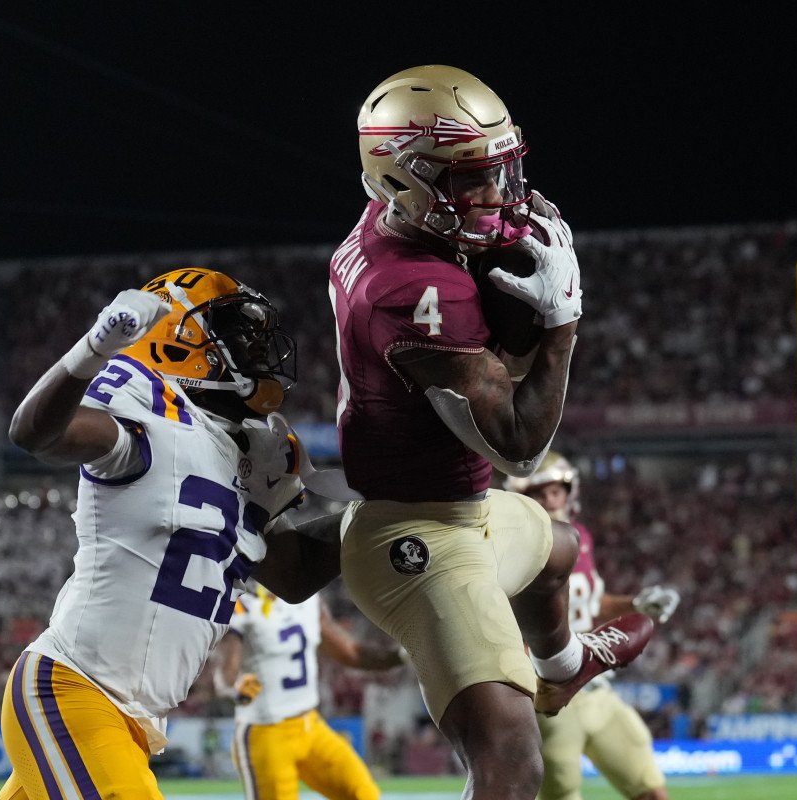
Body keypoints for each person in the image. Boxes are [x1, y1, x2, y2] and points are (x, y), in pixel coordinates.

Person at [331, 64, 654, 800]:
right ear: (401, 180)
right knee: (512, 751)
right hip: (414, 536)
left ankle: (563, 666)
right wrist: (563, 326)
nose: (494, 196)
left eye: (499, 170)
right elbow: (519, 446)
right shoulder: (414, 288)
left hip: (466, 513)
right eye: (468, 179)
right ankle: (545, 683)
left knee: (558, 545)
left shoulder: (388, 223)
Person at [0, 267, 343, 800]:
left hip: (130, 724)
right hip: (73, 693)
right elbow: (36, 432)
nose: (256, 348)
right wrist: (92, 349)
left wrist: (395, 506)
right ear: (179, 342)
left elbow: (295, 575)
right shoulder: (148, 420)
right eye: (236, 332)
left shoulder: (248, 452)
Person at [508, 454, 679, 800]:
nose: (551, 501)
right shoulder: (514, 547)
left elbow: (590, 604)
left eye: (556, 491)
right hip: (555, 696)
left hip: (598, 688)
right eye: (540, 493)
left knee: (651, 790)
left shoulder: (578, 536)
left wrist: (636, 604)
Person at [216, 585, 405, 800]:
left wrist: (404, 655)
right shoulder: (243, 607)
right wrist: (236, 687)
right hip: (266, 733)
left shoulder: (309, 599)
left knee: (364, 793)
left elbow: (352, 653)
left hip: (310, 725)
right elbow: (223, 677)